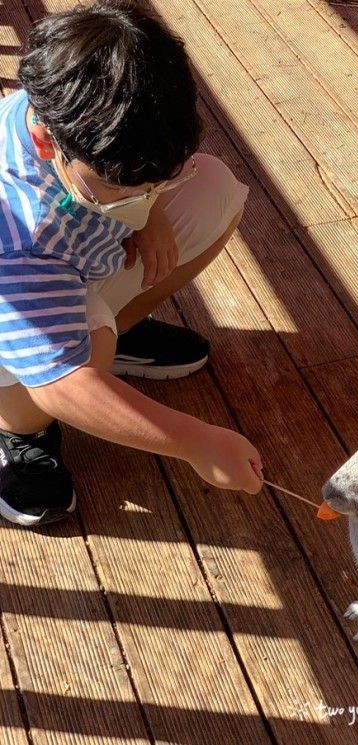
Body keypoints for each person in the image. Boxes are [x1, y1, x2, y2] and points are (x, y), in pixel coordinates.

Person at [0, 0, 264, 526]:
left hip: (72, 261)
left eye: (161, 177)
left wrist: (152, 208)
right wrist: (198, 443)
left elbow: (152, 167)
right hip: (23, 313)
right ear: (44, 141)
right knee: (85, 355)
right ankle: (18, 431)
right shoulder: (16, 236)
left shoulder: (74, 97)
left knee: (214, 189)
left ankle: (113, 334)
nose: (150, 191)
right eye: (129, 185)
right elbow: (62, 381)